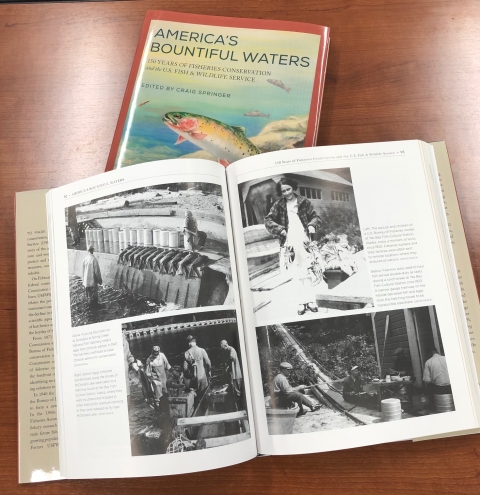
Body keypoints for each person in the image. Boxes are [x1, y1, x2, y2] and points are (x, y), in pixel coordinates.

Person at [264, 177, 322, 315]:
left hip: (303, 239)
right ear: (280, 192)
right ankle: (301, 303)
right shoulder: (278, 205)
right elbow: (268, 220)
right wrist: (280, 229)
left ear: (293, 188)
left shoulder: (304, 202)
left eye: (288, 189)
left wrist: (312, 225)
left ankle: (311, 301)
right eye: (283, 191)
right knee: (296, 272)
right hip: (289, 241)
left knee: (307, 269)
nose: (287, 193)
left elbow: (315, 217)